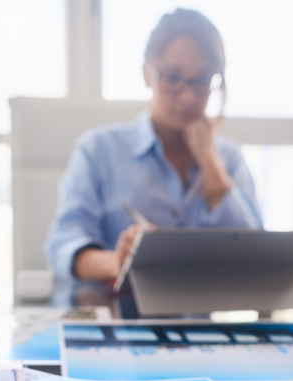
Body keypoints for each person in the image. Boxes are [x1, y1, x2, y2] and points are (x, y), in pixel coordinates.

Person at [45, 8, 262, 281]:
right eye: (172, 77)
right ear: (148, 74)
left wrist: (210, 162)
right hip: (116, 313)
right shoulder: (98, 149)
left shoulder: (228, 158)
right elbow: (63, 246)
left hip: (198, 320)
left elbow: (256, 260)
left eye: (202, 80)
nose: (187, 97)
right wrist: (116, 262)